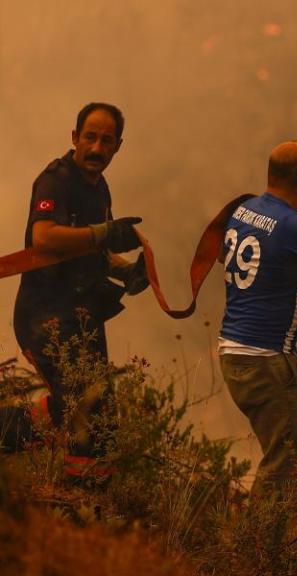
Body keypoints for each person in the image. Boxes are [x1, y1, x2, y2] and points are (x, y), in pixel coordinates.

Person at [2, 102, 147, 476]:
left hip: (82, 316)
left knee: (97, 413)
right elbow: (43, 236)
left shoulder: (100, 188)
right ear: (74, 138)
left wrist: (127, 272)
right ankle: (79, 504)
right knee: (82, 409)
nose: (97, 148)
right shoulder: (56, 180)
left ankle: (87, 502)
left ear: (118, 146)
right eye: (90, 137)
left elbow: (97, 249)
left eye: (107, 141)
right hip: (45, 317)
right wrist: (105, 233)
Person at [218, 141, 297, 542]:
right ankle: (260, 550)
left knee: (290, 445)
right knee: (292, 452)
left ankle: (261, 547)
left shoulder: (244, 210)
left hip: (233, 352)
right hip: (267, 358)